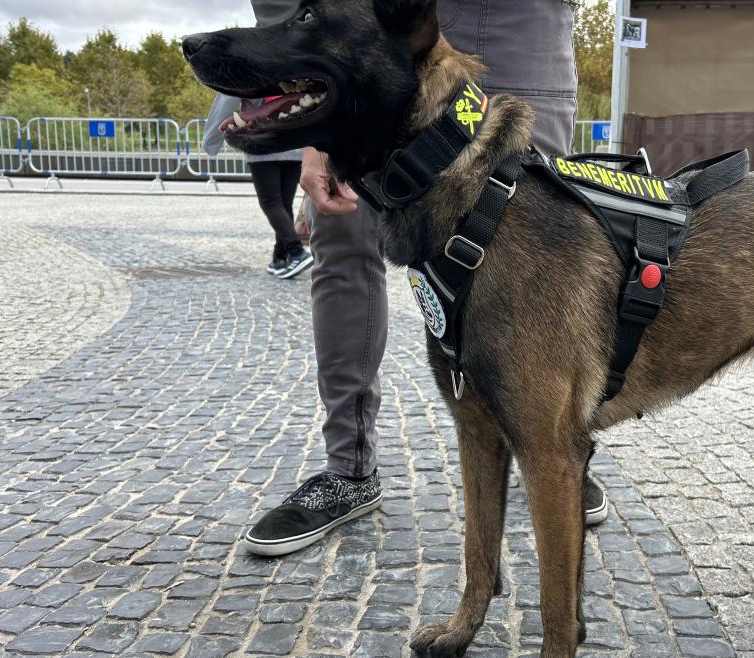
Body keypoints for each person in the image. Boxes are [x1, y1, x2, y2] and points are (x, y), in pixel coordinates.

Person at [243, 0, 611, 557]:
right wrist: (320, 128)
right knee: (343, 241)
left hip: (520, 21)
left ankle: (559, 449)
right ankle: (349, 467)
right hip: (373, 23)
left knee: (543, 252)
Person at [204, 94, 314, 278]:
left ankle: (296, 252)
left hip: (263, 141)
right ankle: (280, 258)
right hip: (294, 142)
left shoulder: (247, 66)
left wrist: (211, 143)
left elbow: (226, 100)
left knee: (271, 202)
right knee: (283, 203)